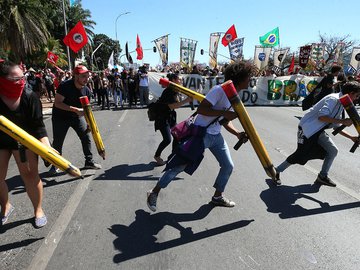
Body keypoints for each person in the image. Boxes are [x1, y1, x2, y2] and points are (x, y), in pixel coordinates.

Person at [146, 61, 253, 212]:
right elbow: (202, 109)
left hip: (216, 137)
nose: (250, 79)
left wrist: (237, 134)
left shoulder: (233, 96)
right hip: (201, 134)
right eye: (248, 76)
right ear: (240, 77)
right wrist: (224, 113)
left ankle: (217, 196)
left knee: (228, 166)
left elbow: (223, 121)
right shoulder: (219, 90)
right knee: (179, 166)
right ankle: (154, 192)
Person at [275, 81, 360, 187]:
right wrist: (343, 121)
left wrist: (351, 137)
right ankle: (276, 171)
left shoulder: (341, 103)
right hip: (307, 129)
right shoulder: (333, 99)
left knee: (332, 151)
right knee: (300, 155)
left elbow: (335, 126)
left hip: (318, 131)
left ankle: (322, 176)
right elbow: (322, 117)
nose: (356, 98)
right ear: (351, 93)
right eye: (356, 96)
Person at [0, 61, 49, 228]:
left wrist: (46, 148)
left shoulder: (30, 96)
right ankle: (5, 206)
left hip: (24, 141)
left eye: (23, 77)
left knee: (30, 176)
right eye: (16, 79)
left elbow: (39, 127)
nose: (21, 81)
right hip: (1, 140)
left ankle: (38, 210)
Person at [49, 65, 102, 175]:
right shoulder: (65, 86)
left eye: (88, 76)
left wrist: (89, 123)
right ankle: (56, 165)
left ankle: (89, 162)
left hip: (76, 118)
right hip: (60, 117)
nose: (86, 79)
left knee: (86, 137)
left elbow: (87, 110)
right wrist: (74, 109)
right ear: (76, 76)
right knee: (58, 142)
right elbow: (57, 103)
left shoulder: (87, 91)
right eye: (83, 76)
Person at [153, 73, 192, 165]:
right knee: (167, 139)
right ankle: (157, 156)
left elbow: (176, 104)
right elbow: (172, 106)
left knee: (177, 136)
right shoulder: (169, 91)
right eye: (179, 79)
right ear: (174, 80)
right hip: (162, 118)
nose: (181, 81)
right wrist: (186, 100)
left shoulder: (175, 90)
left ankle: (173, 156)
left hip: (170, 117)